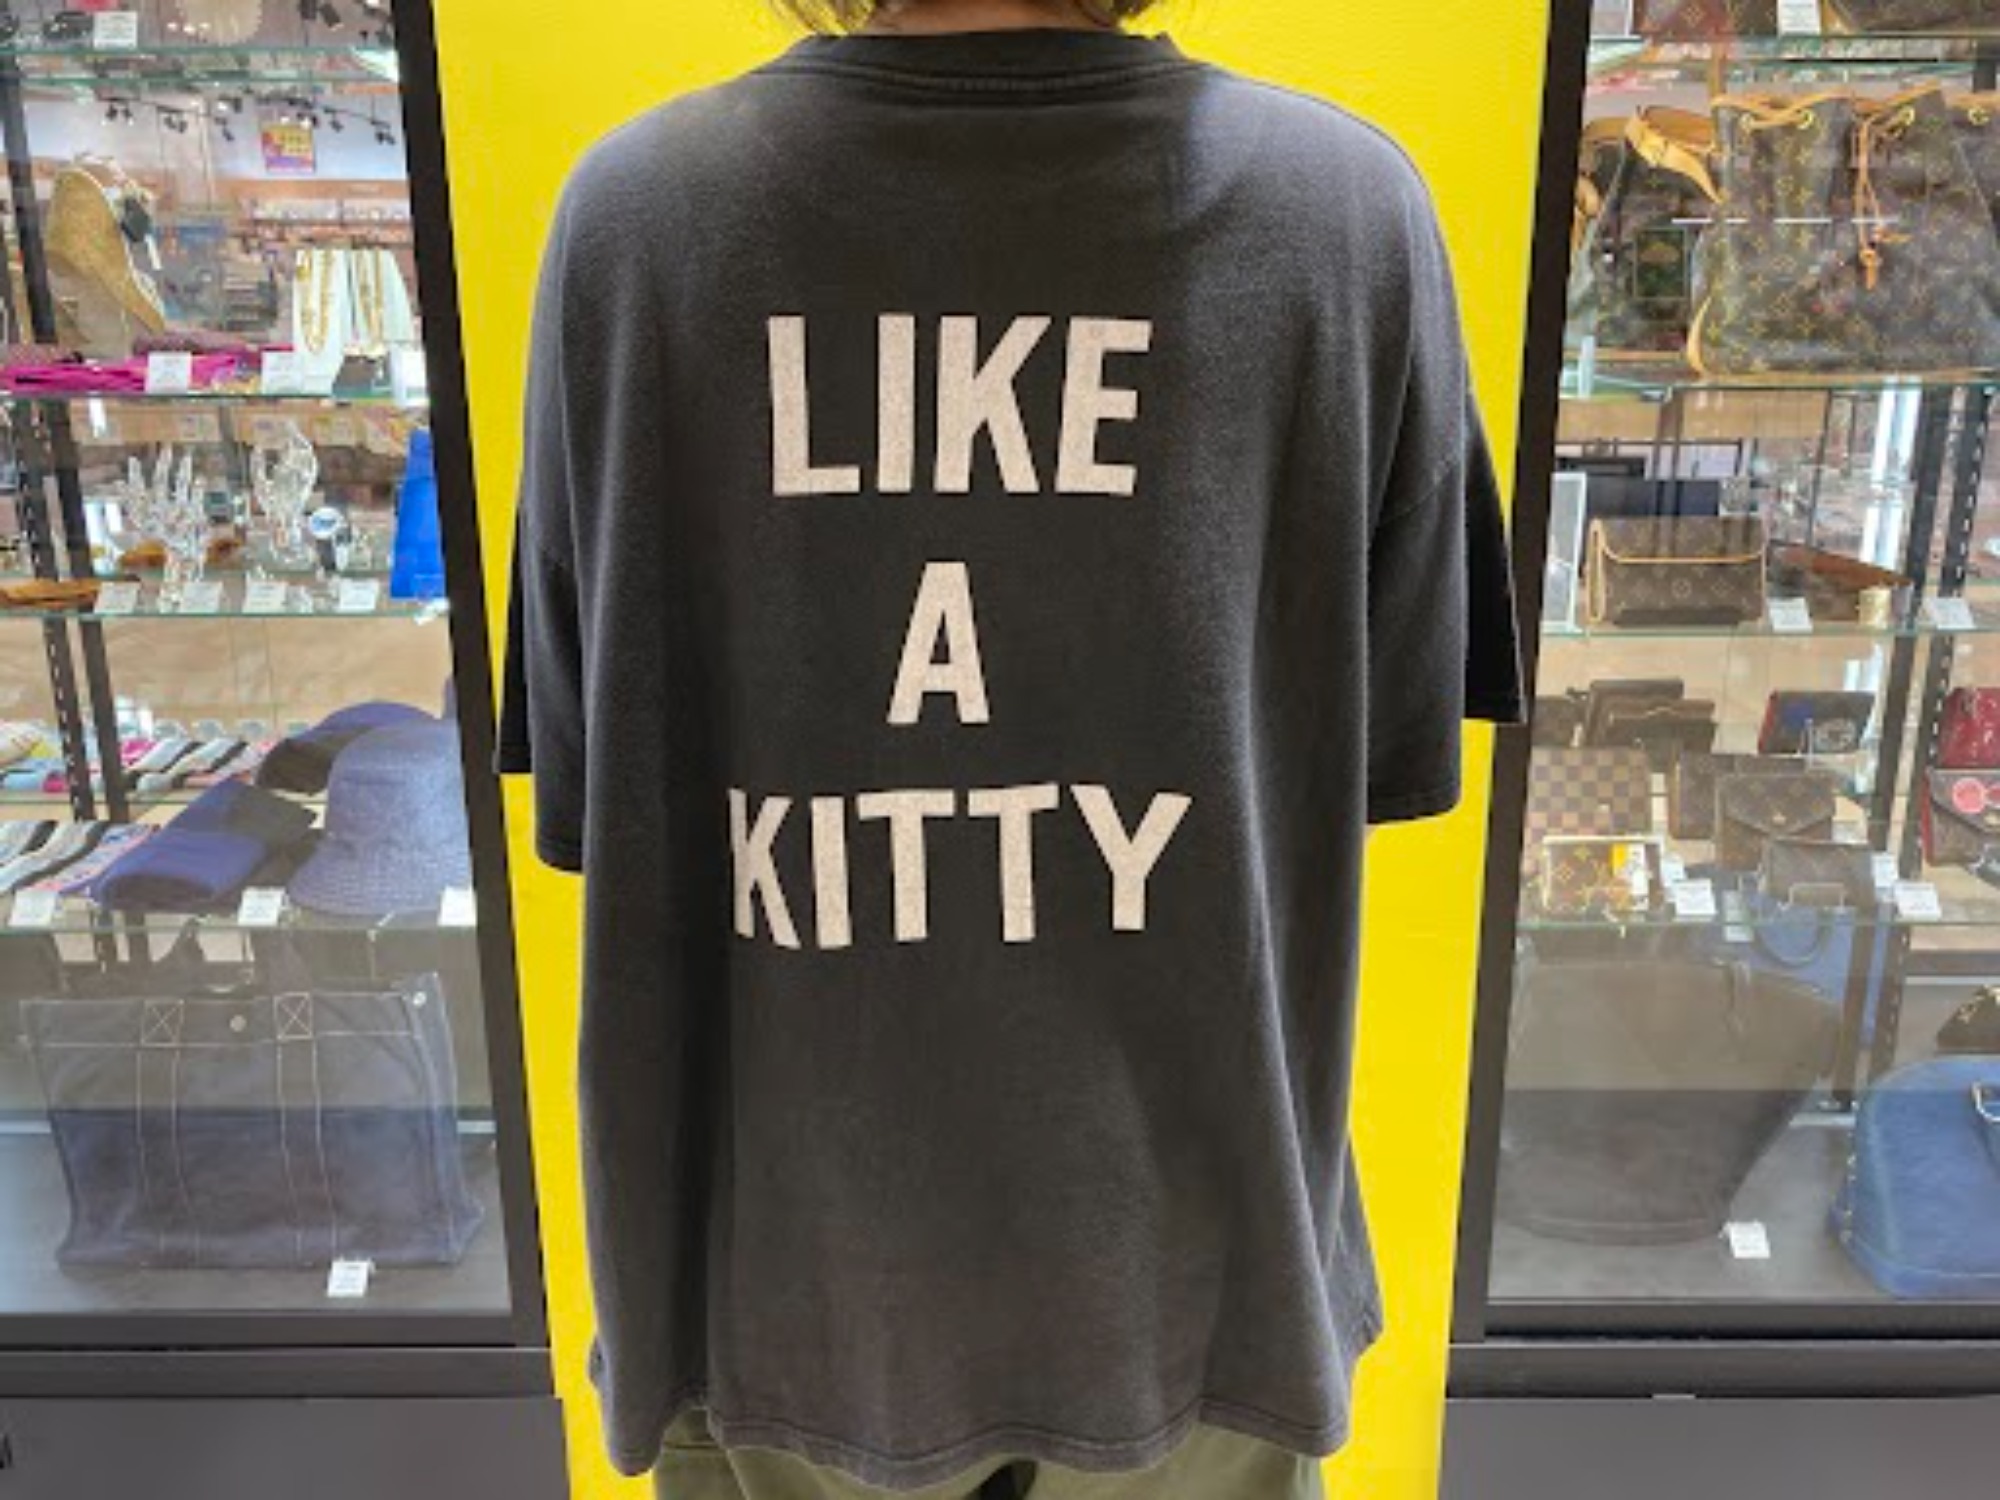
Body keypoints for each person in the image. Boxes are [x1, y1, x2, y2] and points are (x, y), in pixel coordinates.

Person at [497, 0, 1524, 1497]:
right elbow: (1379, 760)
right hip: (1199, 1281)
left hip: (768, 1292)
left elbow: (598, 793)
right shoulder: (1350, 211)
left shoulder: (633, 221)